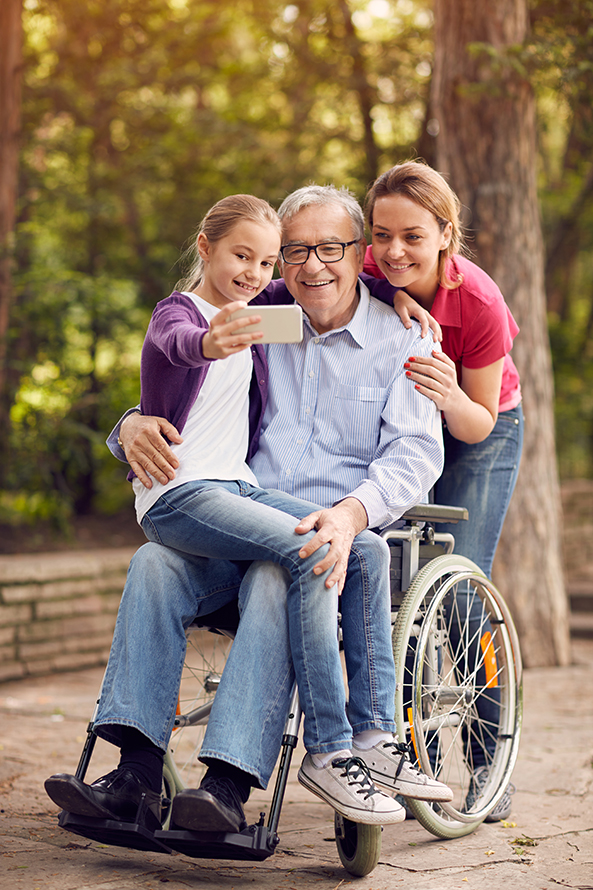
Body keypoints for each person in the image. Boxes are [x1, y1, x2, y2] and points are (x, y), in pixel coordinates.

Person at [45, 184, 451, 839]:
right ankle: (134, 775)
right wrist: (130, 426)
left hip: (320, 542)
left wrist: (349, 516)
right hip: (223, 520)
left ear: (360, 254)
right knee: (154, 561)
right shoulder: (265, 314)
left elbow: (412, 459)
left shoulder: (402, 338)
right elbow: (180, 369)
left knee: (278, 569)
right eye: (293, 252)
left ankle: (227, 788)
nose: (310, 266)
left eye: (330, 249)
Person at [363, 160, 524, 820]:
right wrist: (390, 296)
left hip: (478, 429)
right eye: (380, 235)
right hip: (398, 430)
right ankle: (379, 741)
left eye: (411, 237)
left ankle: (488, 755)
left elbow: (479, 418)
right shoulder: (366, 271)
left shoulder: (479, 301)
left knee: (457, 590)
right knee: (382, 576)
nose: (393, 251)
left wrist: (451, 392)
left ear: (444, 235)